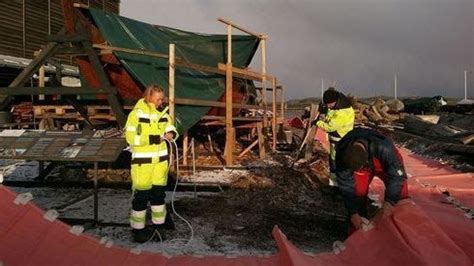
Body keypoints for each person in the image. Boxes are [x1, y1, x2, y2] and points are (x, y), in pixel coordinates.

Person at [125, 84, 179, 243]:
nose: (160, 102)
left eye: (162, 99)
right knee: (141, 198)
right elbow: (131, 138)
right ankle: (138, 230)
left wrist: (171, 133)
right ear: (149, 97)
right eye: (158, 99)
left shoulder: (164, 114)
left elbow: (171, 128)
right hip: (142, 165)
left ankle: (159, 228)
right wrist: (155, 139)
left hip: (160, 165)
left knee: (158, 197)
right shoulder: (135, 115)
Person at [335, 127, 409, 233]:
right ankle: (357, 234)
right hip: (362, 164)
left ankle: (401, 233)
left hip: (384, 163)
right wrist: (353, 213)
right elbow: (346, 185)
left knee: (401, 197)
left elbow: (396, 177)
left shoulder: (385, 148)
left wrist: (390, 202)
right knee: (357, 195)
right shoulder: (342, 152)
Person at [313, 88, 355, 187]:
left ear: (335, 101)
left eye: (329, 104)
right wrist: (325, 111)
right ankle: (334, 186)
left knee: (338, 165)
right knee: (333, 163)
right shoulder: (338, 106)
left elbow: (330, 127)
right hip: (336, 141)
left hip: (341, 141)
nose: (328, 106)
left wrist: (317, 122)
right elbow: (330, 115)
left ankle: (341, 188)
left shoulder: (342, 112)